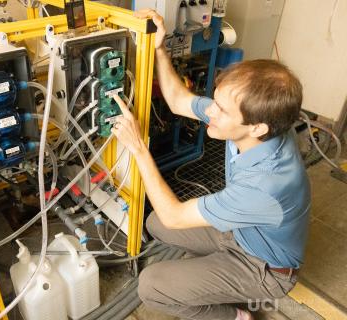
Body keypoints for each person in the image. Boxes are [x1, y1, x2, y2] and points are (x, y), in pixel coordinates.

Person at [110, 9, 311, 320]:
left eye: (221, 110)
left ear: (257, 127)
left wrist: (138, 147)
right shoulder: (258, 125)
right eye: (215, 102)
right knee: (153, 223)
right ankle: (214, 271)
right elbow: (178, 101)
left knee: (152, 286)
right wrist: (160, 49)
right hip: (240, 232)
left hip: (265, 268)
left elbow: (175, 217)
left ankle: (236, 316)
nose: (210, 112)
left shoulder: (265, 185)